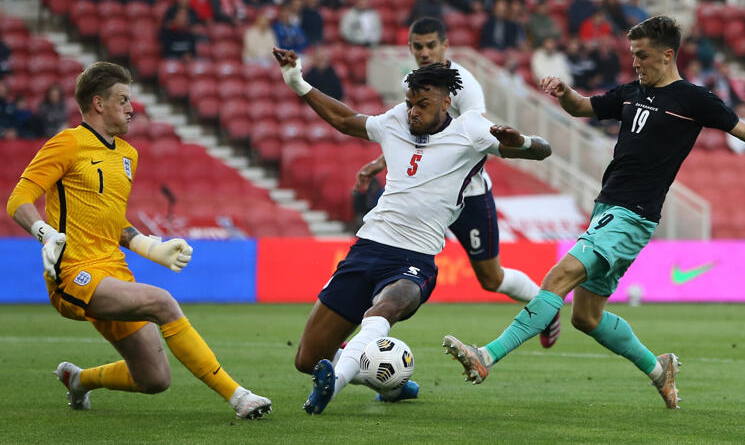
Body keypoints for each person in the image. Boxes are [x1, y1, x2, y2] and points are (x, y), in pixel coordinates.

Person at [442, 16, 745, 410]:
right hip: (607, 209)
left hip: (633, 214)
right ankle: (658, 369)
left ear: (667, 56)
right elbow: (582, 107)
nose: (636, 63)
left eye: (643, 56)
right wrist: (563, 91)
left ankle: (487, 356)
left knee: (559, 276)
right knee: (586, 317)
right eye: (633, 55)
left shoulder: (694, 99)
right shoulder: (631, 92)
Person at [271, 47, 553, 415]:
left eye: (422, 104)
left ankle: (332, 387)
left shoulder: (471, 130)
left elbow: (542, 151)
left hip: (415, 260)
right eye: (410, 103)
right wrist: (297, 82)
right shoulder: (395, 122)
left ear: (445, 102)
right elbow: (345, 119)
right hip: (366, 249)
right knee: (307, 358)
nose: (413, 111)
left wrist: (522, 144)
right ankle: (389, 384)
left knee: (384, 309)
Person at [5, 62, 271, 419]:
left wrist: (150, 247)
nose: (132, 108)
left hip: (113, 273)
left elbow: (111, 221)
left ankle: (79, 380)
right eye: (123, 99)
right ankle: (238, 396)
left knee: (154, 378)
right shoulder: (67, 143)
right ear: (98, 104)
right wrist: (45, 234)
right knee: (162, 302)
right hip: (74, 274)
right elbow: (18, 200)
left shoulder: (128, 155)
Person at [357, 18, 562, 347]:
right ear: (410, 48)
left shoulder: (464, 85)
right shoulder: (412, 82)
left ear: (444, 45)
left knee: (491, 278)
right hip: (428, 195)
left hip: (469, 195)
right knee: (388, 260)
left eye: (430, 45)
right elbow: (414, 135)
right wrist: (380, 162)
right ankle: (361, 336)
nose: (424, 52)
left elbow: (477, 136)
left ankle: (545, 306)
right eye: (418, 46)